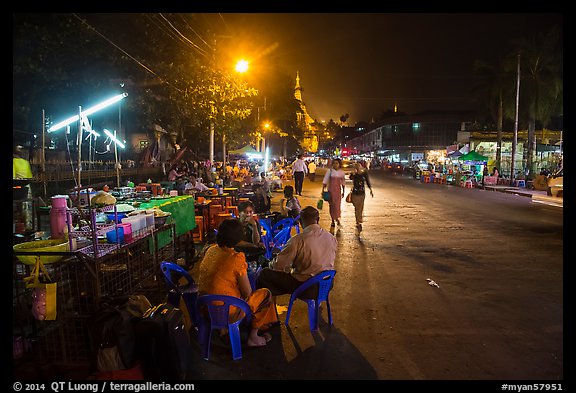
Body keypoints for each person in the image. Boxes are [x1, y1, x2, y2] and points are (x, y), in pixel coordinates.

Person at [197, 218, 278, 347]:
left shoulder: (211, 250)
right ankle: (253, 337)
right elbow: (247, 292)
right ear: (239, 237)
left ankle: (257, 325)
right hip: (226, 313)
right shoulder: (236, 258)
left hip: (204, 310)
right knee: (265, 295)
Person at [255, 206, 337, 298]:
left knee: (265, 275)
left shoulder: (297, 240)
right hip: (327, 284)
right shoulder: (331, 237)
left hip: (307, 288)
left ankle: (266, 308)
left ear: (301, 222)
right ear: (318, 219)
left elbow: (278, 265)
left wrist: (269, 263)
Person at [349, 161, 373, 236]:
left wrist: (370, 190)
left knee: (360, 207)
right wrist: (353, 173)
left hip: (362, 193)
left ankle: (358, 221)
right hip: (355, 193)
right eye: (356, 167)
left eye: (359, 166)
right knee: (356, 207)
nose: (358, 168)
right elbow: (350, 178)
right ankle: (358, 220)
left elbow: (368, 181)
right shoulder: (354, 174)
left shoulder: (364, 174)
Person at [322, 158, 346, 228]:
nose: (335, 165)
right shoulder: (330, 171)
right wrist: (323, 190)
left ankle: (337, 218)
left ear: (339, 164)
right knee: (332, 206)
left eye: (337, 163)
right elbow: (325, 180)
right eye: (334, 163)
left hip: (338, 191)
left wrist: (343, 192)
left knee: (337, 205)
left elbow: (343, 183)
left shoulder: (341, 172)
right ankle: (333, 220)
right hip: (331, 191)